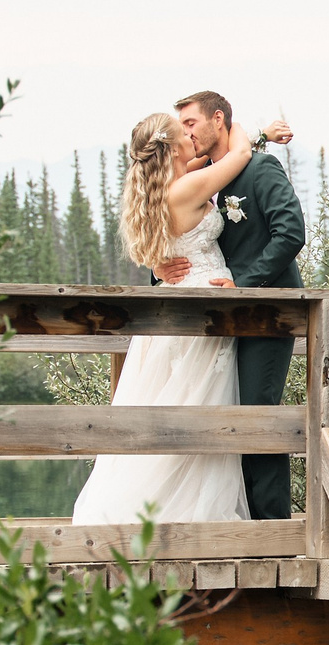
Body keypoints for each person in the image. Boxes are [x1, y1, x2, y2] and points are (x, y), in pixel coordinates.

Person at [66, 110, 277, 526]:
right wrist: (234, 125)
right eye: (184, 131)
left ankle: (168, 508)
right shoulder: (190, 187)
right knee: (199, 401)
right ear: (172, 146)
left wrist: (264, 134)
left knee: (174, 399)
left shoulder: (171, 184)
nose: (191, 136)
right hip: (202, 306)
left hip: (176, 301)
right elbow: (235, 155)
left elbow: (208, 162)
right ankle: (188, 514)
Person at [157, 90, 304, 520]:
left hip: (266, 314)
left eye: (190, 123)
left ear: (217, 120)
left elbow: (290, 232)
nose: (184, 132)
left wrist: (243, 282)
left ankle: (273, 527)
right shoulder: (206, 175)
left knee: (257, 414)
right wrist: (160, 270)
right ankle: (232, 519)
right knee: (220, 415)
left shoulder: (260, 168)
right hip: (218, 323)